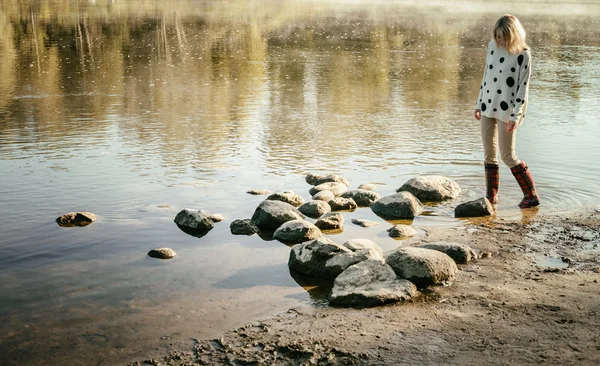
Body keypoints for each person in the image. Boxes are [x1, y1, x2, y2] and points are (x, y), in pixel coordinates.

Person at [474, 14, 540, 209]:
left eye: (502, 36)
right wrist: (478, 104)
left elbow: (523, 88)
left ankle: (531, 195)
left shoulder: (523, 53)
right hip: (487, 105)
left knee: (508, 155)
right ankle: (491, 197)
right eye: (496, 35)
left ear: (512, 35)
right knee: (489, 155)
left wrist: (516, 115)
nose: (498, 40)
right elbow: (486, 76)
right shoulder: (492, 46)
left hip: (508, 110)